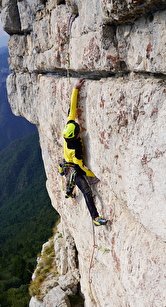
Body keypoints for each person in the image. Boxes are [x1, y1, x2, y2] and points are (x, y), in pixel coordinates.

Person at [61, 78, 108, 227]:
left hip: (67, 164)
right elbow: (80, 167)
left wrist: (76, 88)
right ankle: (95, 218)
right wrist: (93, 176)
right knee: (86, 190)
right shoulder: (76, 150)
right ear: (75, 135)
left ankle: (68, 191)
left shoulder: (69, 127)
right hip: (74, 167)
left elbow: (72, 109)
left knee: (68, 175)